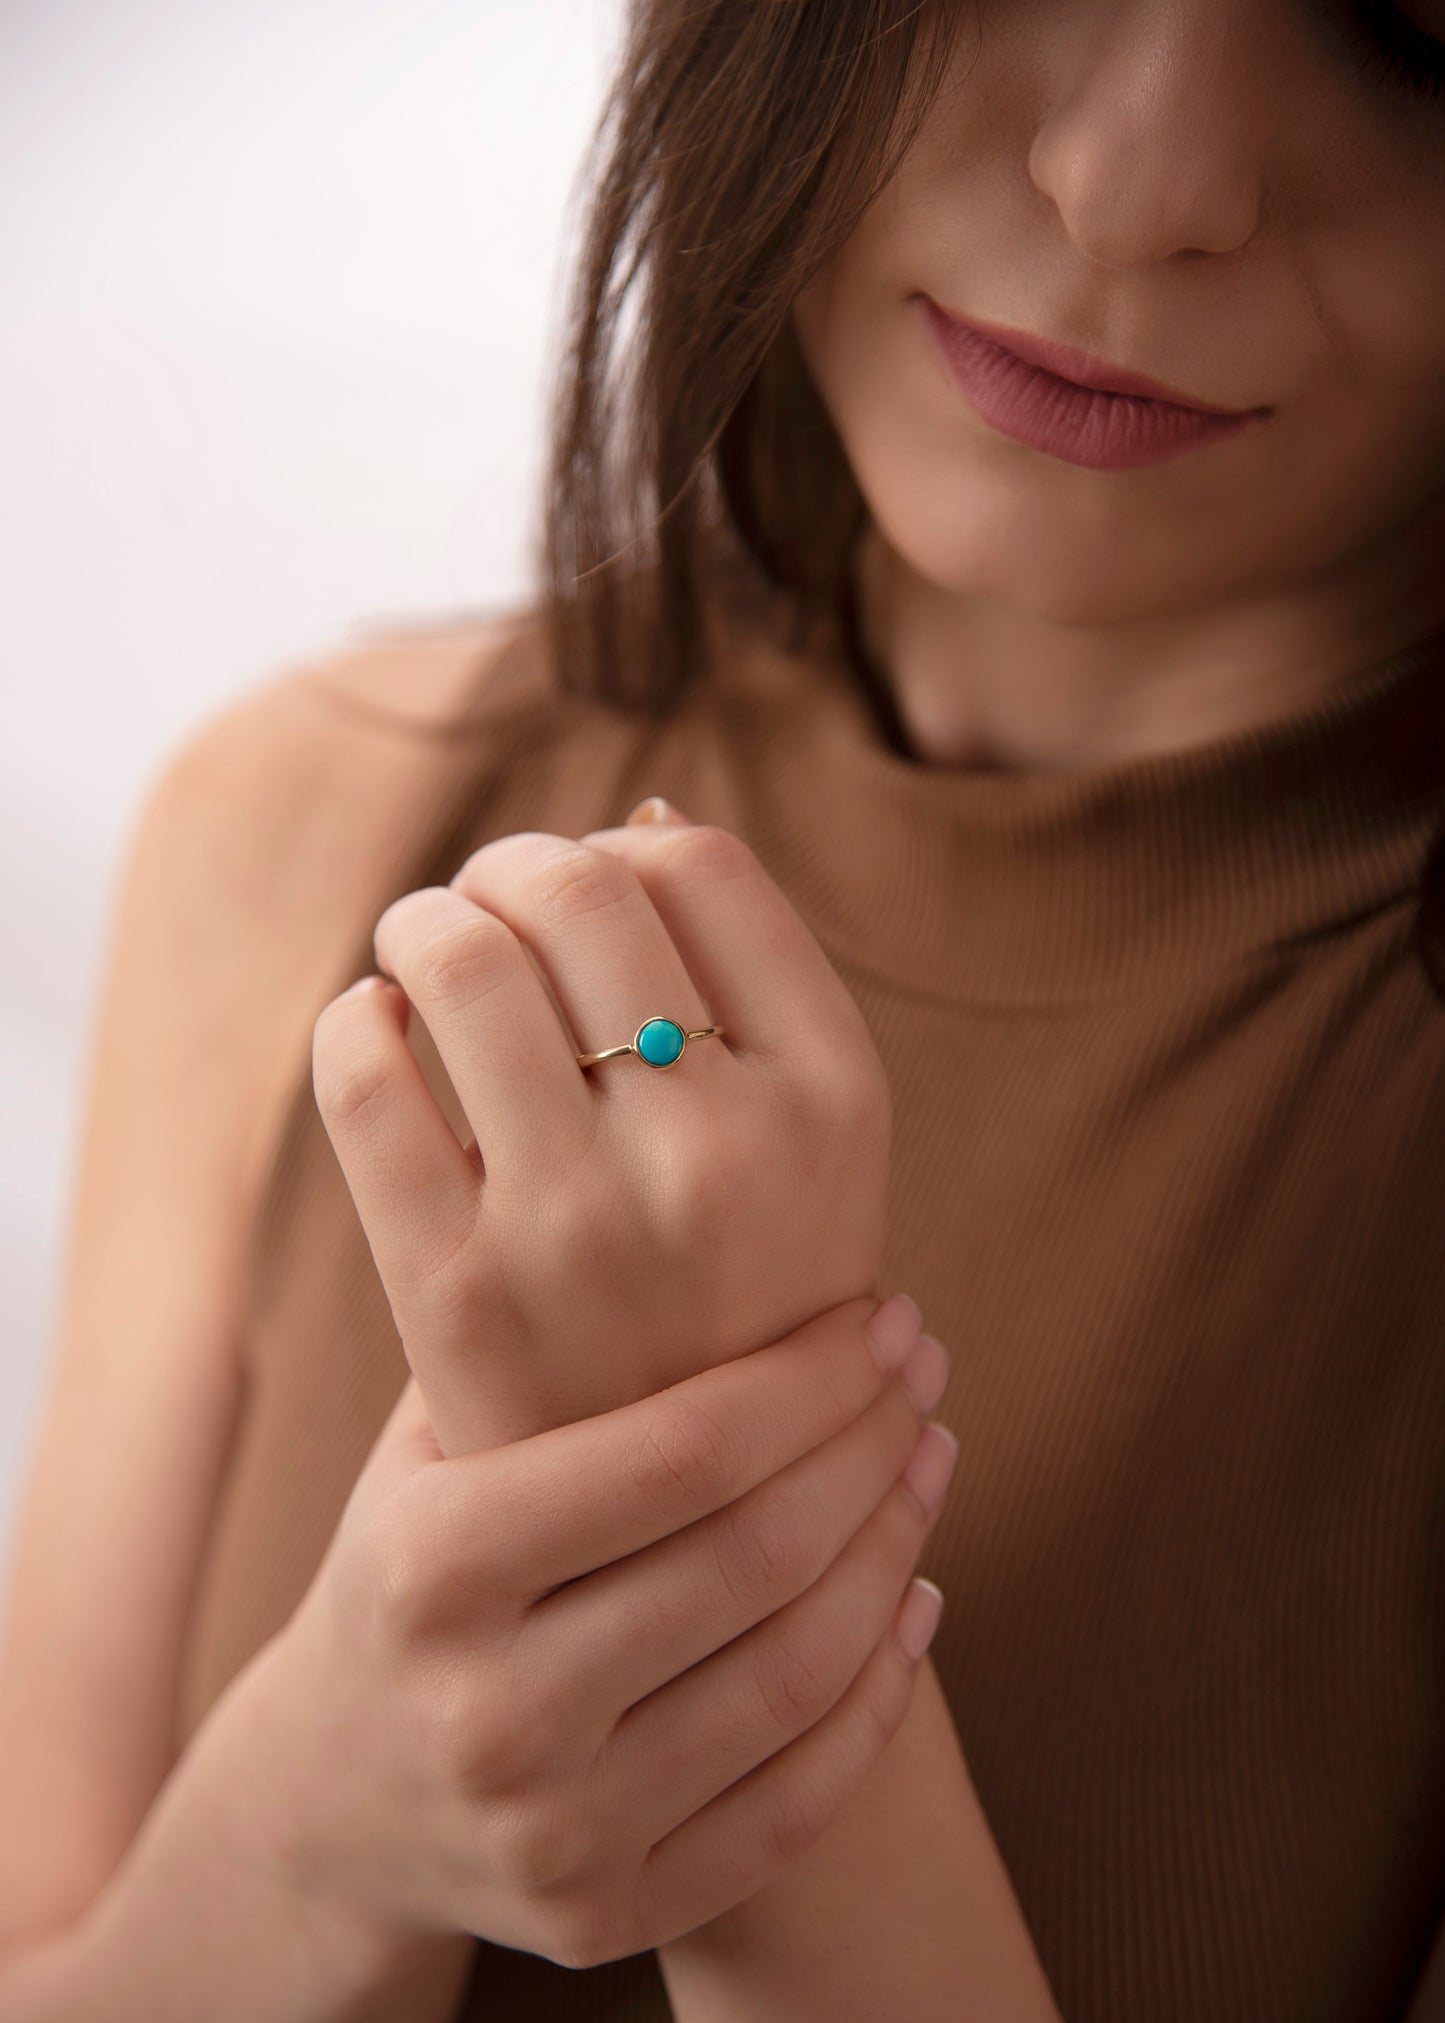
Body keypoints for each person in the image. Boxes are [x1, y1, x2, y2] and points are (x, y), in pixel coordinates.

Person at [2, 1, 1444, 2017]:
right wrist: (322, 1815)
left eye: (1417, 26)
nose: (1137, 185)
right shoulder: (312, 818)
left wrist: (708, 1580)